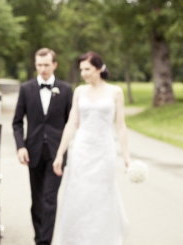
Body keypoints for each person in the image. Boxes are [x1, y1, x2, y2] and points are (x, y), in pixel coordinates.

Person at [53, 51, 131, 245]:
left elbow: (120, 126)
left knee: (103, 196)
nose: (84, 73)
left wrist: (127, 157)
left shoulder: (116, 92)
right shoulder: (79, 91)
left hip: (105, 151)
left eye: (87, 69)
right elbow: (72, 123)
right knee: (78, 195)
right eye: (81, 70)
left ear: (98, 68)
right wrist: (60, 153)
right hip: (81, 150)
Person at [12, 48, 72, 245]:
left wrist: (65, 151)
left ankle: (44, 242)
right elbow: (17, 122)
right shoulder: (26, 89)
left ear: (54, 65)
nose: (43, 69)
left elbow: (71, 123)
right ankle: (40, 238)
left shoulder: (65, 89)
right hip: (33, 153)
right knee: (37, 202)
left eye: (46, 65)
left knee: (49, 200)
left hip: (57, 154)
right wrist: (21, 146)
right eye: (39, 65)